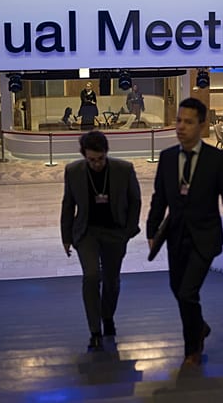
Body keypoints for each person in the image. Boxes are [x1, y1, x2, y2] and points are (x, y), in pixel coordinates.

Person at [146, 97, 223, 367]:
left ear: (202, 126)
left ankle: (192, 349)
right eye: (179, 120)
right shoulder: (167, 158)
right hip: (175, 237)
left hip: (205, 238)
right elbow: (159, 198)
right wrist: (151, 229)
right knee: (177, 289)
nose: (180, 127)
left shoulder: (218, 160)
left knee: (188, 292)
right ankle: (199, 326)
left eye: (188, 122)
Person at [61, 130, 142, 352]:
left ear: (106, 153)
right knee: (91, 276)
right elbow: (68, 205)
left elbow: (135, 200)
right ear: (84, 157)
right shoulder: (73, 171)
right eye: (91, 160)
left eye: (100, 159)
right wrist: (66, 237)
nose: (96, 164)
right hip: (87, 232)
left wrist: (128, 230)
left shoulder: (123, 170)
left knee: (111, 280)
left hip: (115, 232)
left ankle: (108, 317)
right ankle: (95, 330)